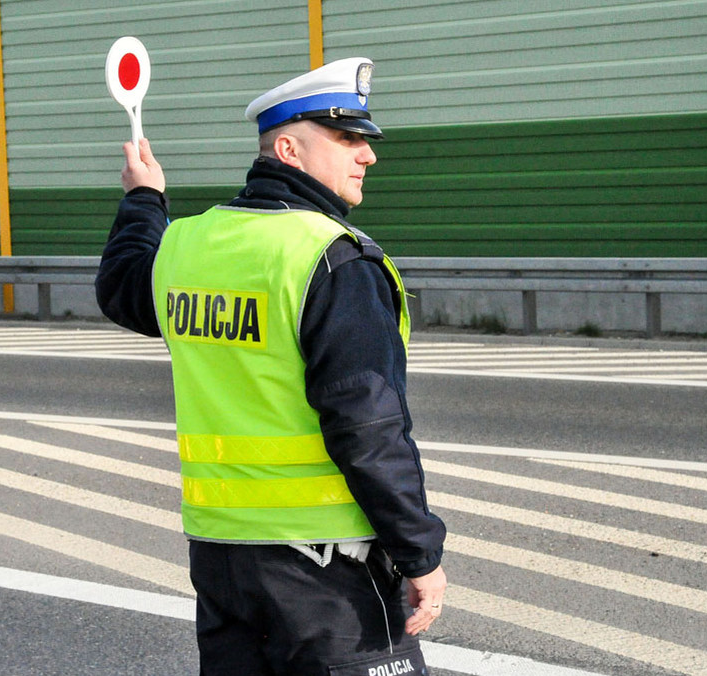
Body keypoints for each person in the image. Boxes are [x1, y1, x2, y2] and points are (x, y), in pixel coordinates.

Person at [95, 57, 447, 676]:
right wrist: (419, 553)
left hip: (222, 556)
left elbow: (123, 285)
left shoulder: (187, 245)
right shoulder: (332, 259)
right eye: (347, 139)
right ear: (288, 148)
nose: (367, 155)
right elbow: (367, 429)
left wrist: (145, 199)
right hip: (326, 568)